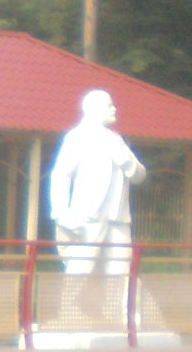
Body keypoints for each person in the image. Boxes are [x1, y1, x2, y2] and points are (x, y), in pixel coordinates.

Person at [49, 88, 147, 277]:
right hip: (87, 217)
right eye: (109, 105)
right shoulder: (78, 136)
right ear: (94, 109)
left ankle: (123, 299)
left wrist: (125, 161)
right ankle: (70, 299)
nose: (114, 109)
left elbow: (140, 175)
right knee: (79, 271)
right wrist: (62, 214)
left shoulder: (117, 140)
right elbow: (61, 175)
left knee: (121, 273)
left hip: (118, 218)